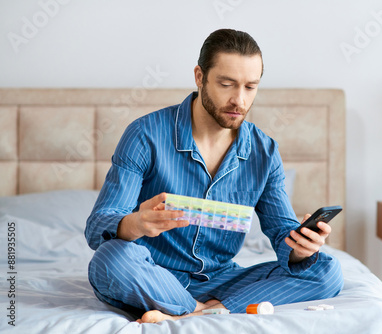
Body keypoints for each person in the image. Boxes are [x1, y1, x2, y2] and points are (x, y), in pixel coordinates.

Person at [85, 28, 343, 323]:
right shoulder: (145, 135)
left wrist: (302, 247)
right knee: (110, 259)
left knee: (326, 270)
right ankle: (202, 310)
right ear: (200, 77)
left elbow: (282, 233)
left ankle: (193, 311)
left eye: (250, 87)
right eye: (226, 84)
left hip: (221, 280)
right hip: (150, 271)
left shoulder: (265, 152)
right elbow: (97, 227)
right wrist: (136, 223)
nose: (239, 100)